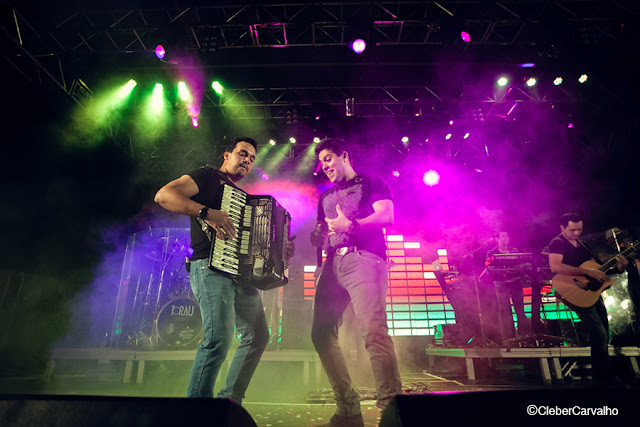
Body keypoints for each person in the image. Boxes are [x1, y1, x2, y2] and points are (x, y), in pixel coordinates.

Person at [154, 137, 294, 402]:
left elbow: (254, 244)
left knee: (258, 336)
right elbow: (164, 195)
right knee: (219, 338)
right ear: (227, 154)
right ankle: (199, 412)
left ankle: (229, 402)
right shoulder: (207, 177)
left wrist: (279, 250)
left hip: (240, 274)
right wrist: (206, 212)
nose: (247, 161)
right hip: (209, 267)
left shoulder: (241, 196)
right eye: (243, 154)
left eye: (252, 158)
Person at [310, 139, 402, 427]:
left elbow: (387, 215)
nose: (325, 166)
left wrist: (353, 226)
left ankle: (393, 411)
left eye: (328, 159)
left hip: (363, 259)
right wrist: (318, 247)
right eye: (322, 162)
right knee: (321, 335)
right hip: (331, 264)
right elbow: (322, 233)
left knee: (373, 333)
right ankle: (348, 408)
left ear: (344, 156)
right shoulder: (325, 197)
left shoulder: (373, 181)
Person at [547, 213, 628, 387]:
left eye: (580, 229)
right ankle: (606, 377)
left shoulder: (583, 245)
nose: (576, 233)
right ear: (562, 228)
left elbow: (598, 271)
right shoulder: (557, 242)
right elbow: (555, 266)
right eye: (572, 230)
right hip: (573, 290)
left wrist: (620, 269)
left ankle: (600, 377)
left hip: (591, 292)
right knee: (599, 333)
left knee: (604, 334)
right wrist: (586, 272)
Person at [485, 231, 529, 340]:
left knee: (520, 309)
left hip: (516, 283)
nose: (507, 238)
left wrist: (518, 268)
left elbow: (521, 264)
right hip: (500, 284)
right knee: (505, 310)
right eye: (503, 236)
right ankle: (509, 337)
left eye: (507, 235)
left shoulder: (514, 251)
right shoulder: (492, 252)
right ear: (497, 239)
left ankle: (524, 336)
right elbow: (487, 266)